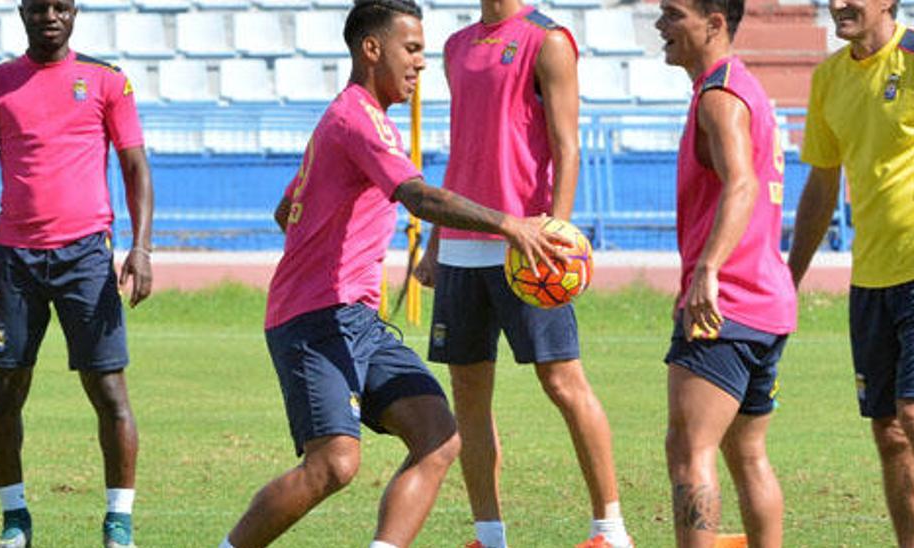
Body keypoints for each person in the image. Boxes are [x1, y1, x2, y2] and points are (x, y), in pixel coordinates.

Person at [217, 2, 570, 547]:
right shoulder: (357, 117)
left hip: (356, 319)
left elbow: (285, 209)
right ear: (372, 49)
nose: (421, 63)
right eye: (411, 49)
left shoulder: (356, 119)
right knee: (333, 464)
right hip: (315, 318)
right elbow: (417, 196)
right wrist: (509, 224)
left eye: (424, 51)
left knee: (439, 435)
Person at [411, 1, 631, 546]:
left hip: (526, 246)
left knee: (562, 380)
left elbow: (566, 144)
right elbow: (465, 148)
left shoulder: (548, 39)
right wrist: (437, 240)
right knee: (468, 396)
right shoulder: (456, 46)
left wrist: (558, 231)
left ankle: (612, 530)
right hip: (462, 247)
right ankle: (489, 536)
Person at [788, 0, 914, 545]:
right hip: (870, 281)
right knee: (889, 432)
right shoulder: (829, 77)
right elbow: (822, 186)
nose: (837, 5)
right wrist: (789, 278)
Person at [0, 0, 154, 547]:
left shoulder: (106, 80)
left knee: (109, 389)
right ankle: (15, 520)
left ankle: (119, 523)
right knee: (4, 388)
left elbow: (135, 165)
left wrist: (141, 248)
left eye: (61, 5)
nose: (50, 14)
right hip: (13, 261)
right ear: (21, 10)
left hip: (88, 258)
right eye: (39, 5)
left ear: (75, 12)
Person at [653, 0, 797, 546]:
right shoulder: (746, 89)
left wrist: (706, 271)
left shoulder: (719, 96)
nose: (661, 26)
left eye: (673, 14)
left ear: (714, 23)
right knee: (748, 452)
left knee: (690, 452)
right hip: (767, 305)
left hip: (726, 308)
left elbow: (742, 184)